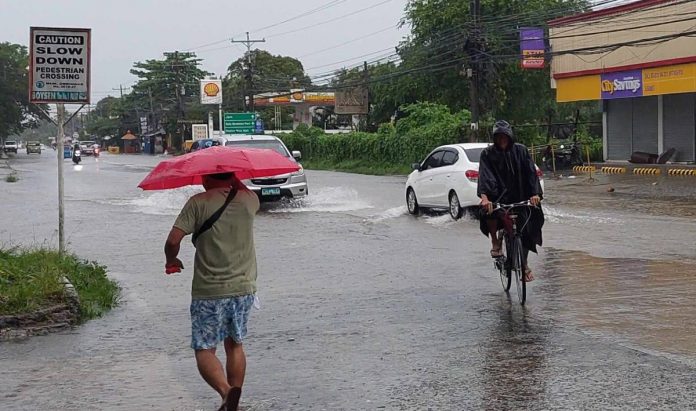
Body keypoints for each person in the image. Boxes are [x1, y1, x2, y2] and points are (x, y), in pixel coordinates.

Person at [164, 172, 260, 411]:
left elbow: (173, 240)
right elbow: (238, 192)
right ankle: (233, 405)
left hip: (209, 290)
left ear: (206, 176)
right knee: (235, 344)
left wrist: (171, 260)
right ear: (233, 175)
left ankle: (227, 393)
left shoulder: (198, 202)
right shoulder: (250, 199)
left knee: (205, 348)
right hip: (244, 288)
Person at [477, 120, 544, 282]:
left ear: (510, 136)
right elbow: (484, 177)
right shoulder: (487, 154)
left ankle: (524, 264)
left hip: (521, 197)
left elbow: (531, 173)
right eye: (498, 137)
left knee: (529, 226)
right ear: (495, 138)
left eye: (504, 136)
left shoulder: (521, 151)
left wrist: (535, 194)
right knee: (488, 211)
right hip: (498, 198)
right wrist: (485, 199)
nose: (502, 140)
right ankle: (495, 241)